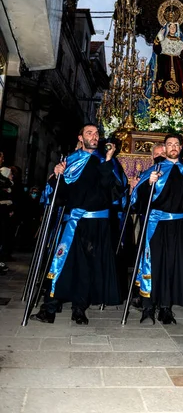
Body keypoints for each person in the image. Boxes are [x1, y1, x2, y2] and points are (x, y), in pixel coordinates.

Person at [30, 124, 124, 325]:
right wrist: (57, 176)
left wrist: (107, 162)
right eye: (89, 133)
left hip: (96, 224)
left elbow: (113, 192)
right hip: (72, 222)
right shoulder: (70, 160)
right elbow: (60, 195)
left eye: (97, 133)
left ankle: (79, 309)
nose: (94, 136)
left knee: (87, 268)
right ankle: (49, 308)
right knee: (62, 263)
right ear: (80, 137)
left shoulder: (106, 161)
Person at [130, 133, 183, 324]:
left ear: (181, 148)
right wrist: (148, 184)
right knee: (153, 264)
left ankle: (166, 308)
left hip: (180, 226)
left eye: (176, 144)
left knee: (173, 266)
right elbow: (138, 199)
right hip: (156, 224)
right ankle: (147, 308)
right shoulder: (154, 169)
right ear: (164, 148)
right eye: (169, 144)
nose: (173, 147)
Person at [145, 22, 183, 114]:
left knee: (179, 88)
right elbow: (157, 50)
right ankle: (161, 109)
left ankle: (181, 110)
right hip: (164, 67)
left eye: (175, 27)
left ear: (177, 29)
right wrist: (158, 38)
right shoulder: (163, 40)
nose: (173, 28)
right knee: (162, 87)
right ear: (168, 28)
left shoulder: (180, 42)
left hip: (178, 69)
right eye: (171, 27)